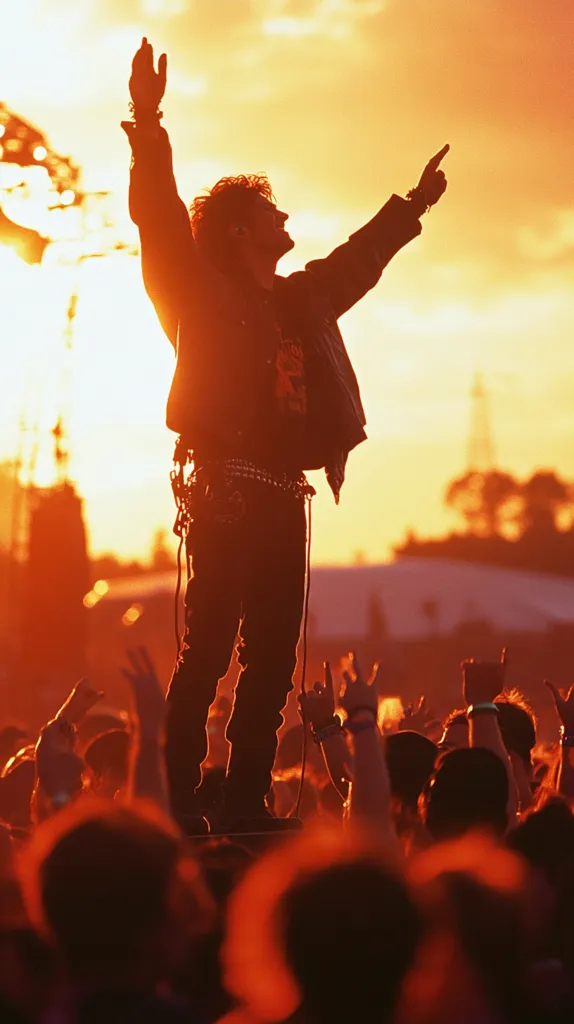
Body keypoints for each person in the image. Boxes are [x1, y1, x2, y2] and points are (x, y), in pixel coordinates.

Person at [123, 38, 449, 831]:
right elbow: (162, 220)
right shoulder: (196, 293)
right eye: (272, 211)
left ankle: (241, 797)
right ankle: (178, 791)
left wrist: (409, 208)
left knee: (270, 658)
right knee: (207, 654)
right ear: (239, 230)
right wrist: (148, 119)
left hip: (280, 501)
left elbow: (353, 264)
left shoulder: (297, 301)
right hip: (225, 492)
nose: (287, 217)